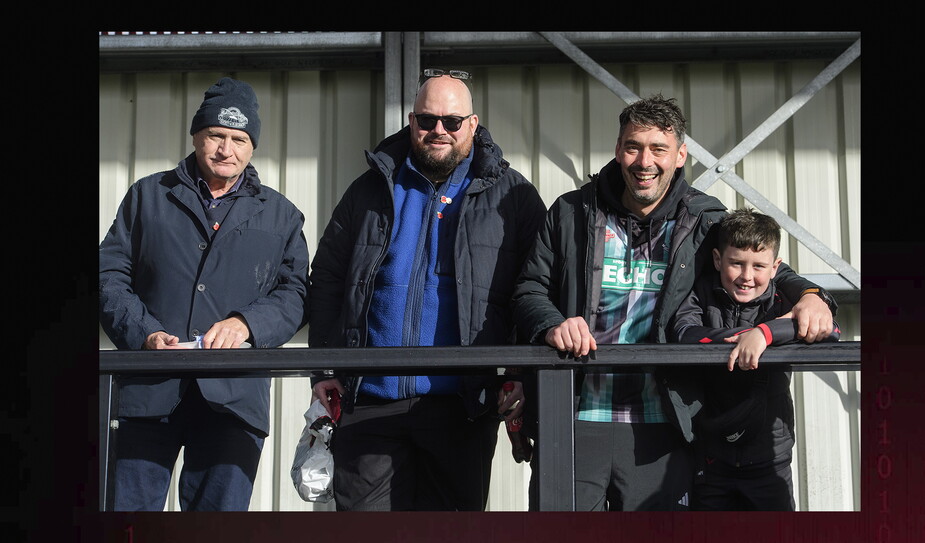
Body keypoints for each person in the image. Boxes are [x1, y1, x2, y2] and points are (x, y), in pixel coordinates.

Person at [512, 94, 835, 511]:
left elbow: (756, 263)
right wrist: (553, 323)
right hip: (573, 417)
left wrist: (811, 295)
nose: (645, 161)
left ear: (680, 155)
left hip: (665, 424)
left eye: (658, 149)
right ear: (618, 150)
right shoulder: (570, 212)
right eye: (633, 146)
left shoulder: (705, 219)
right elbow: (529, 290)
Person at [307, 69, 546, 511]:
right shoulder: (369, 190)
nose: (439, 130)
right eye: (427, 119)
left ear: (472, 125)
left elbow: (534, 291)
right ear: (411, 121)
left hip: (462, 406)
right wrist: (324, 368)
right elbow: (327, 279)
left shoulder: (515, 198)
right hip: (369, 402)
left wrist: (518, 375)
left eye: (452, 122)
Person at [98, 77, 310, 511]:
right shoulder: (147, 197)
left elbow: (296, 293)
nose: (225, 149)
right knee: (129, 524)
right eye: (216, 135)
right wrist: (144, 334)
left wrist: (247, 324)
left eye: (238, 138)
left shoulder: (282, 215)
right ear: (197, 135)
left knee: (217, 529)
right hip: (149, 392)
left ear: (253, 146)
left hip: (233, 399)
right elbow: (108, 275)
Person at [670, 208, 840, 510]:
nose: (747, 277)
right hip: (710, 458)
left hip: (770, 457)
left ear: (776, 267)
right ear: (717, 260)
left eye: (759, 266)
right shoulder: (698, 292)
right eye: (736, 263)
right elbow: (684, 332)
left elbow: (829, 330)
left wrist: (764, 334)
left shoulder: (783, 299)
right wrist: (738, 338)